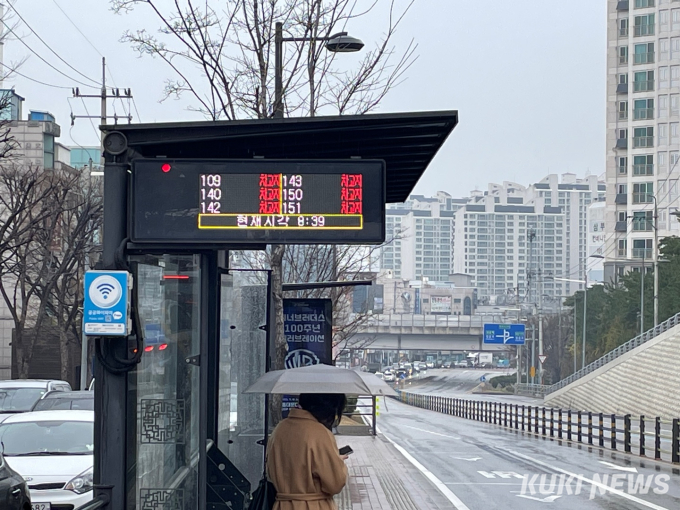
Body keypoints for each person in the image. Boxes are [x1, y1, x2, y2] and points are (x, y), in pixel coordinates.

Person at [266, 393, 349, 510]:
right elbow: (335, 484)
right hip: (314, 505)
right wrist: (337, 463)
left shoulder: (279, 429)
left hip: (282, 505)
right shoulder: (320, 433)